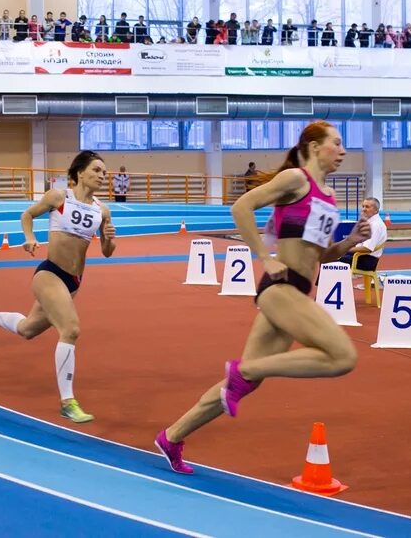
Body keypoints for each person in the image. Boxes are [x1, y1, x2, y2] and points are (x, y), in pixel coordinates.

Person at [154, 121, 371, 474]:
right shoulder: (296, 181)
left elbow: (319, 256)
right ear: (314, 147)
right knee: (343, 356)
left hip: (299, 288)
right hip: (280, 288)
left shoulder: (329, 198)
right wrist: (264, 257)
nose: (343, 150)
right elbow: (241, 207)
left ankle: (172, 436)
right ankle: (246, 369)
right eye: (337, 142)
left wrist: (348, 243)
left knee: (244, 386)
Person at [0, 151, 117, 424]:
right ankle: (68, 402)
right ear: (80, 172)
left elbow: (106, 252)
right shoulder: (59, 198)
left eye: (104, 172)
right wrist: (30, 238)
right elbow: (27, 215)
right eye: (96, 170)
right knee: (71, 329)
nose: (102, 176)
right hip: (49, 273)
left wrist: (109, 240)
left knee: (28, 329)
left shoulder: (102, 210)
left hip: (74, 281)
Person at [338, 197, 387, 272]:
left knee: (332, 262)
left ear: (376, 210)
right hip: (361, 257)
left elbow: (367, 248)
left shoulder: (376, 225)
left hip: (367, 260)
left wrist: (347, 249)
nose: (363, 209)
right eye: (363, 206)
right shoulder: (370, 222)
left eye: (367, 207)